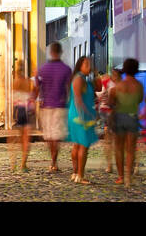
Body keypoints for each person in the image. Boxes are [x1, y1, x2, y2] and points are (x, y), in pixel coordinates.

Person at [34, 42, 72, 173]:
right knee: (57, 135)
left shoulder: (42, 69)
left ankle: (53, 160)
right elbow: (69, 88)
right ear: (61, 52)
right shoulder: (66, 69)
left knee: (49, 135)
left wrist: (33, 102)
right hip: (61, 105)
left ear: (50, 52)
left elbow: (37, 88)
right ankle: (54, 161)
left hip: (46, 105)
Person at [110, 57, 144, 186]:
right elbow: (140, 100)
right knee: (131, 149)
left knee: (119, 148)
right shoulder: (139, 86)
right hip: (133, 117)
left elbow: (112, 101)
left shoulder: (118, 86)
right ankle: (129, 177)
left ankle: (120, 177)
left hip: (119, 117)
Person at [66, 56, 98, 184]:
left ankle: (75, 173)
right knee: (83, 146)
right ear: (79, 65)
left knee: (77, 144)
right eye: (86, 64)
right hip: (80, 116)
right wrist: (87, 114)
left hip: (78, 115)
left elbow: (99, 87)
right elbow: (78, 100)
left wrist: (95, 73)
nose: (89, 66)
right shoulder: (79, 79)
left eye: (90, 64)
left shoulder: (84, 79)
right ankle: (80, 175)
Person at [10, 60, 35, 171]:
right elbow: (31, 97)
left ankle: (13, 164)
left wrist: (12, 114)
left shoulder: (15, 83)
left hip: (18, 110)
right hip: (26, 110)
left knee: (14, 139)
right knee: (26, 139)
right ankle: (23, 164)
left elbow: (13, 100)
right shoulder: (28, 82)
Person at [98, 67, 120, 173]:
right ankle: (111, 164)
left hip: (107, 112)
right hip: (111, 113)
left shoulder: (107, 82)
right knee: (112, 140)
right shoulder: (112, 84)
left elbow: (100, 96)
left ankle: (110, 164)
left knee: (109, 140)